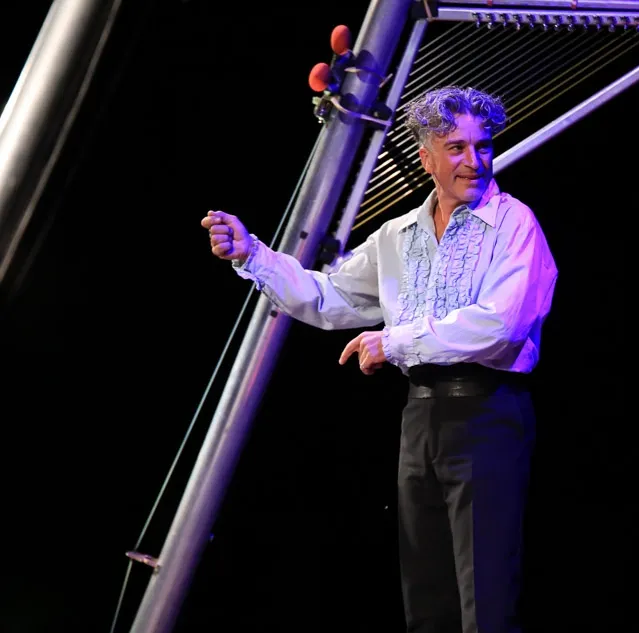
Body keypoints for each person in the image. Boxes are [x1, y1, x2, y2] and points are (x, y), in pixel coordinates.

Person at [200, 85, 558, 633]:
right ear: (427, 158)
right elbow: (330, 297)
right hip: (421, 416)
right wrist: (253, 255)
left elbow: (500, 324)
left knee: (486, 597)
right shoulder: (398, 234)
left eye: (482, 146)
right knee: (427, 595)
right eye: (457, 148)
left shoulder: (514, 224)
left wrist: (392, 342)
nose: (474, 160)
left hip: (486, 413)